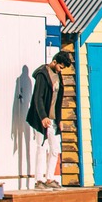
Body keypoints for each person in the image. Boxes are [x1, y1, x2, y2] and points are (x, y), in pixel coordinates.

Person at [26, 50, 73, 190]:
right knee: (41, 148)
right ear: (54, 62)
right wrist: (43, 116)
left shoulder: (58, 76)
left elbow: (58, 100)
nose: (61, 70)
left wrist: (59, 119)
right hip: (41, 118)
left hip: (52, 119)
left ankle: (50, 178)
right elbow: (38, 97)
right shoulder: (43, 74)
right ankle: (38, 179)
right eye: (60, 67)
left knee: (55, 149)